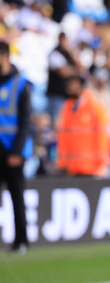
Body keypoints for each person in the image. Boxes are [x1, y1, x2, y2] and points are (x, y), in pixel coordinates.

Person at [0, 41, 32, 254]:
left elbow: (26, 123)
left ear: (5, 56)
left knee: (16, 197)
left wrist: (17, 152)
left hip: (13, 152)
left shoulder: (21, 84)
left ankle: (21, 240)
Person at [56, 76, 110, 177]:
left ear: (81, 85)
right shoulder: (66, 107)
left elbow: (102, 135)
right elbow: (63, 137)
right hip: (72, 168)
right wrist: (63, 162)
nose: (69, 87)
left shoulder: (96, 106)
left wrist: (102, 162)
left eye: (72, 84)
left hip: (92, 168)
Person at [46, 33, 81, 125]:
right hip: (57, 96)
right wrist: (76, 70)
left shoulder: (69, 54)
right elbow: (63, 72)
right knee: (56, 124)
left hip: (68, 97)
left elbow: (81, 68)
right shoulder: (54, 53)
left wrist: (70, 52)